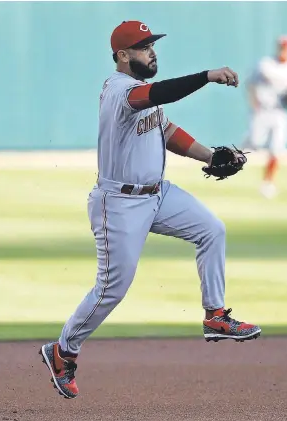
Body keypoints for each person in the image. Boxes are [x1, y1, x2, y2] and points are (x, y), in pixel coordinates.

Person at [38, 20, 261, 400]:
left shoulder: (144, 96)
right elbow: (161, 96)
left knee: (212, 229)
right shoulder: (120, 91)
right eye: (143, 47)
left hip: (158, 195)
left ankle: (215, 316)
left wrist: (209, 156)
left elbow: (166, 128)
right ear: (123, 56)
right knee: (111, 289)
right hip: (120, 204)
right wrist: (207, 76)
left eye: (152, 44)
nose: (152, 51)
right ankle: (62, 352)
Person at [243, 35, 287, 199]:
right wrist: (254, 104)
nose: (284, 50)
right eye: (282, 47)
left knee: (277, 149)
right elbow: (251, 84)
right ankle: (227, 162)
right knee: (254, 144)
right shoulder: (266, 65)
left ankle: (268, 182)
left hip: (280, 112)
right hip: (262, 111)